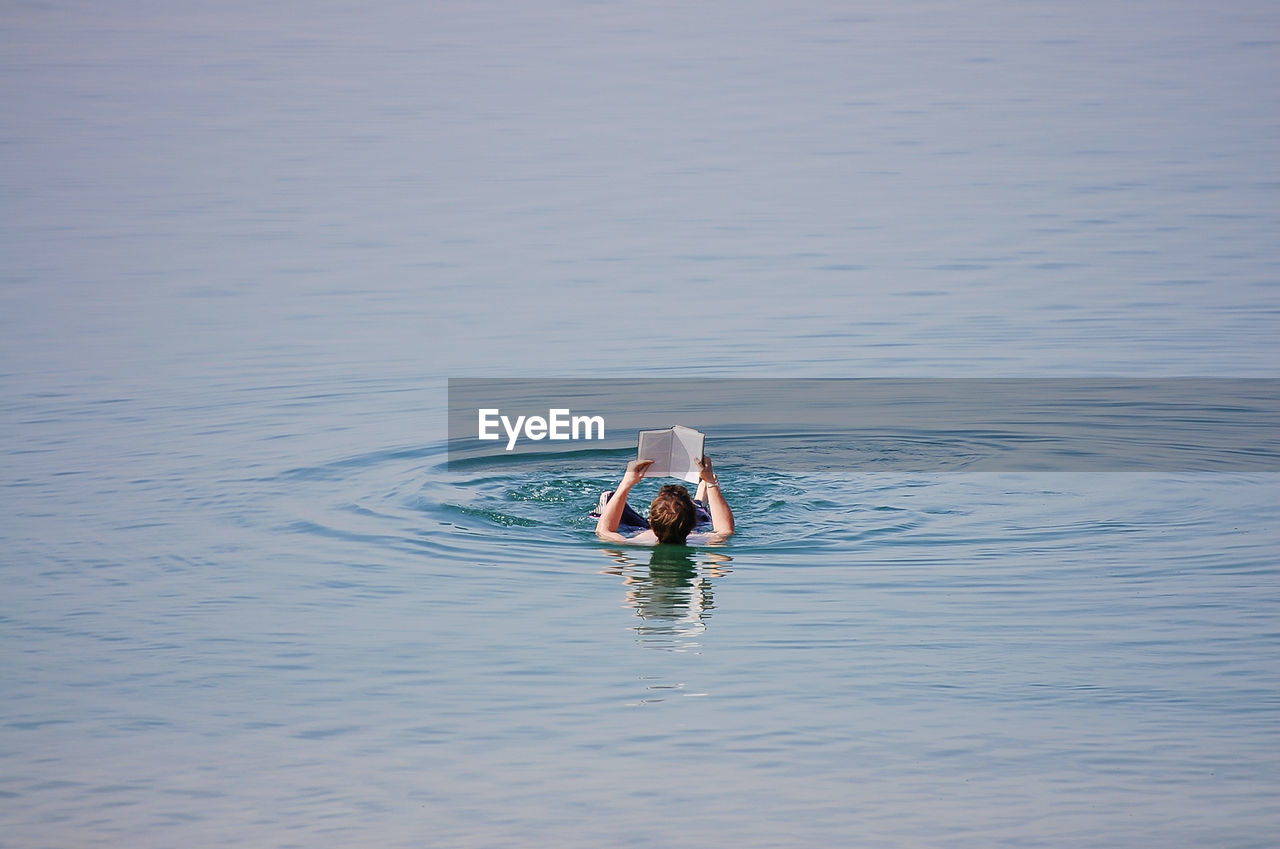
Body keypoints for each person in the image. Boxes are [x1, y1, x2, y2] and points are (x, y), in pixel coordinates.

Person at [594, 455, 735, 545]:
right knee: (687, 511)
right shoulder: (701, 539)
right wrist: (711, 482)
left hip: (641, 531)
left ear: (651, 520)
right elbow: (725, 530)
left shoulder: (635, 542)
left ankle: (699, 499)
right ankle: (701, 495)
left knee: (610, 497)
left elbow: (603, 531)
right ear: (693, 524)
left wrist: (626, 483)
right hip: (687, 528)